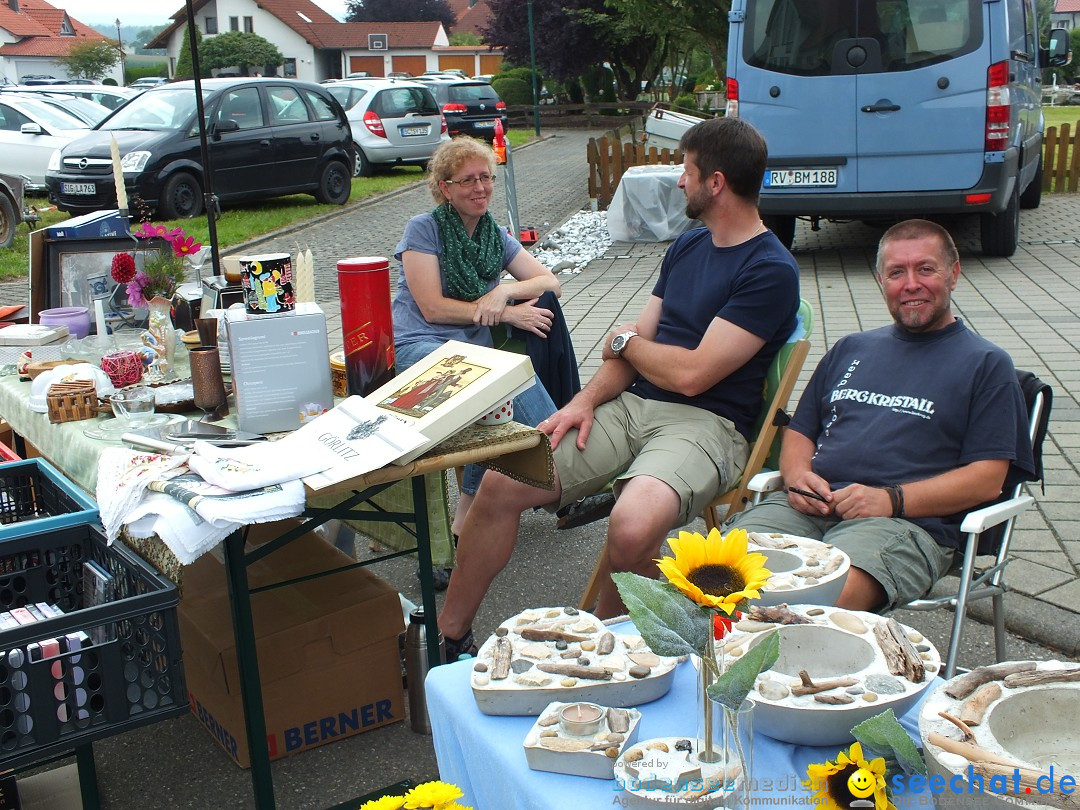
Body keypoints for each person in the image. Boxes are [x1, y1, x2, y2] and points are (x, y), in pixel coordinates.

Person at [438, 117, 801, 659]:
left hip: (708, 426)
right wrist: (583, 401)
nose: (680, 181)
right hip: (632, 408)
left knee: (630, 529)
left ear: (716, 182)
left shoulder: (770, 269)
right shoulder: (688, 247)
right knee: (499, 482)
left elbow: (691, 373)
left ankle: (614, 645)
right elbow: (634, 347)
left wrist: (628, 344)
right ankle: (449, 639)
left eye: (687, 170)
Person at [733, 219, 1036, 611]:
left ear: (953, 273)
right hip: (810, 508)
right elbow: (800, 431)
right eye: (897, 272)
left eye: (925, 269)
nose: (911, 283)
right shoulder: (851, 349)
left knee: (820, 599)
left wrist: (892, 500)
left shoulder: (986, 364)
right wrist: (797, 477)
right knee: (715, 572)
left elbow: (987, 480)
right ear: (881, 280)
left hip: (904, 525)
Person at [392, 137, 562, 581]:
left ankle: (559, 469)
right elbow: (431, 308)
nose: (480, 187)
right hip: (419, 345)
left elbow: (549, 281)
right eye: (468, 180)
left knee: (509, 379)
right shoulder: (423, 229)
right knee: (492, 381)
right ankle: (479, 513)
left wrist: (505, 290)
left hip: (474, 356)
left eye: (486, 177)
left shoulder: (495, 235)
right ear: (445, 188)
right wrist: (506, 314)